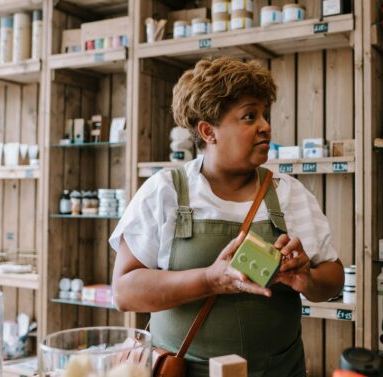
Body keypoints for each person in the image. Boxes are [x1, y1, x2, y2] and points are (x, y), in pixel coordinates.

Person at [109, 57, 345, 377]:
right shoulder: (164, 192)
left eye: (265, 114)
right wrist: (210, 279)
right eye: (249, 116)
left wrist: (309, 279)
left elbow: (333, 279)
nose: (265, 126)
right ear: (209, 131)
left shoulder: (289, 193)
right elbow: (124, 292)